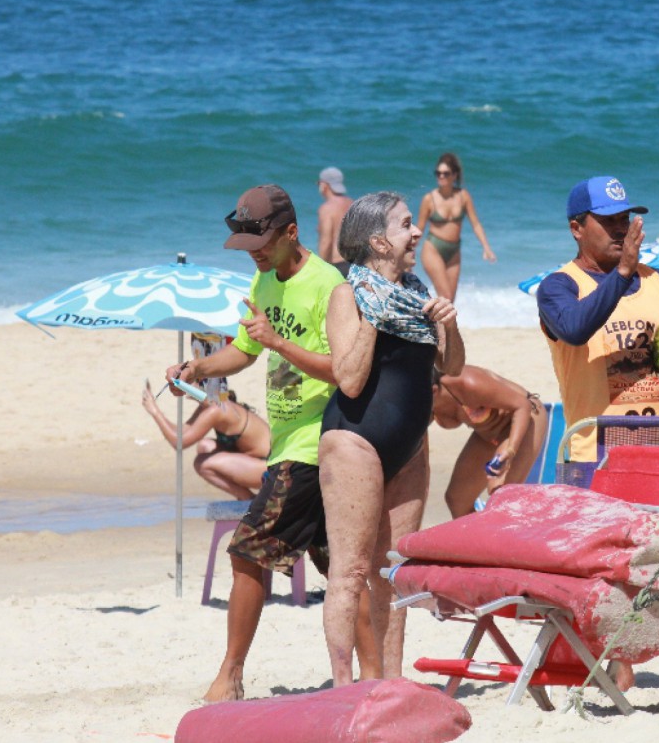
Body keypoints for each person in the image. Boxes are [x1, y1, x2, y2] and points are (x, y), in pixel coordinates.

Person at [164, 184, 378, 701]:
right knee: (341, 567)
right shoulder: (264, 279)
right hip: (289, 444)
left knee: (247, 553)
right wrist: (199, 367)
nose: (254, 254)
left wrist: (278, 341)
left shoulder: (329, 287)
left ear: (291, 232)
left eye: (261, 242)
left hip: (317, 442)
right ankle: (376, 678)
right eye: (246, 244)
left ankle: (230, 676)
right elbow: (244, 349)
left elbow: (345, 370)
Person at [536, 176, 659, 692]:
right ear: (578, 228)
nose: (621, 229)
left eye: (626, 219)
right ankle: (621, 668)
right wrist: (620, 275)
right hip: (596, 449)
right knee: (613, 564)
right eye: (609, 221)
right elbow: (575, 328)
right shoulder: (558, 287)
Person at [319, 191, 464, 686]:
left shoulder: (418, 293)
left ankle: (390, 683)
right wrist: (374, 321)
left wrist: (449, 324)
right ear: (379, 241)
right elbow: (351, 380)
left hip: (410, 447)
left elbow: (453, 368)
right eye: (406, 225)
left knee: (394, 570)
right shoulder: (347, 294)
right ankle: (343, 687)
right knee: (351, 571)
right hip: (354, 441)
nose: (417, 231)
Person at [431, 365, 547, 518]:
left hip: (523, 419)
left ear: (433, 391)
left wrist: (511, 449)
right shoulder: (421, 402)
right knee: (457, 500)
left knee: (499, 493)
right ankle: (477, 541)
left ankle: (509, 539)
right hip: (487, 434)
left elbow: (522, 405)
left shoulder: (467, 383)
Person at [141, 383, 269, 501]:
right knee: (205, 445)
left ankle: (248, 500)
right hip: (254, 461)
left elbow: (178, 443)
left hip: (271, 469)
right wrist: (156, 409)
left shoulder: (217, 409)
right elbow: (182, 432)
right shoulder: (210, 404)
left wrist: (155, 412)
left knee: (202, 464)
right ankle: (248, 499)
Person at [416, 152, 496, 301]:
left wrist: (486, 247)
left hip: (454, 251)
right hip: (433, 248)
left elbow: (476, 223)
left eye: (445, 173)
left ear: (454, 175)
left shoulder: (463, 196)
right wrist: (408, 254)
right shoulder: (429, 199)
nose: (441, 176)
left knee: (450, 301)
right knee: (445, 297)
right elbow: (419, 228)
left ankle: (435, 324)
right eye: (438, 173)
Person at [317, 167, 353, 275]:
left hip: (337, 265)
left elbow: (326, 241)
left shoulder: (327, 208)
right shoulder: (352, 204)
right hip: (354, 263)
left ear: (324, 185)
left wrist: (321, 269)